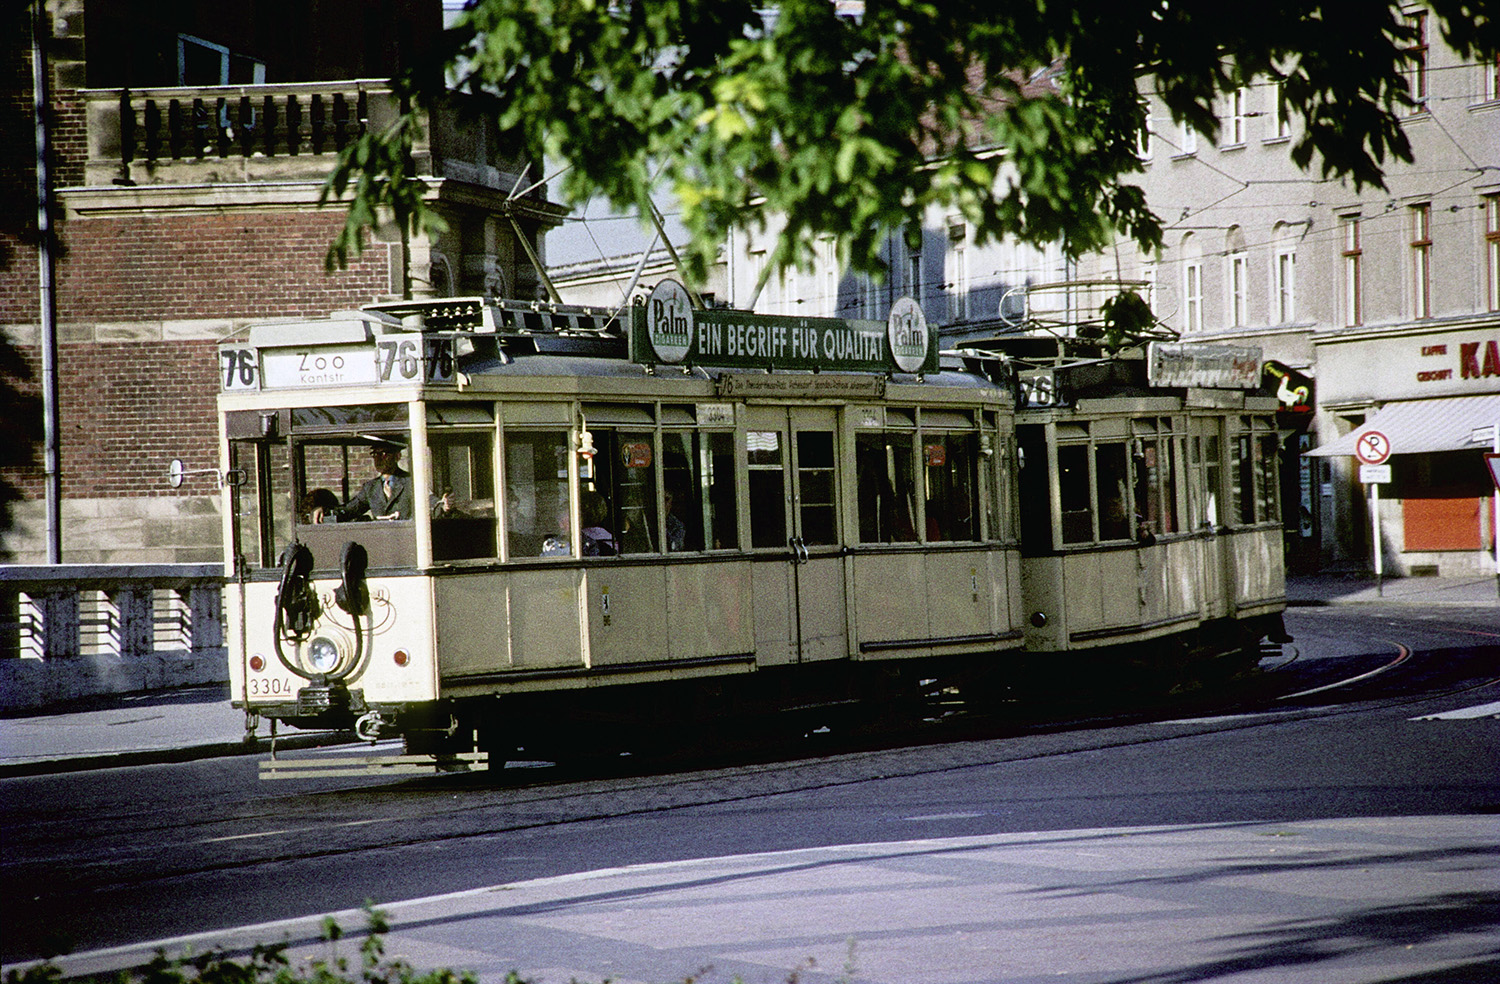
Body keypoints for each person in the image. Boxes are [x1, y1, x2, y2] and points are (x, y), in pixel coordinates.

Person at [332, 437, 417, 521]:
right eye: (375, 454)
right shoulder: (371, 487)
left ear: (397, 456)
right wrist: (328, 511)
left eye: (383, 454)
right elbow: (350, 509)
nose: (378, 459)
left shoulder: (411, 482)